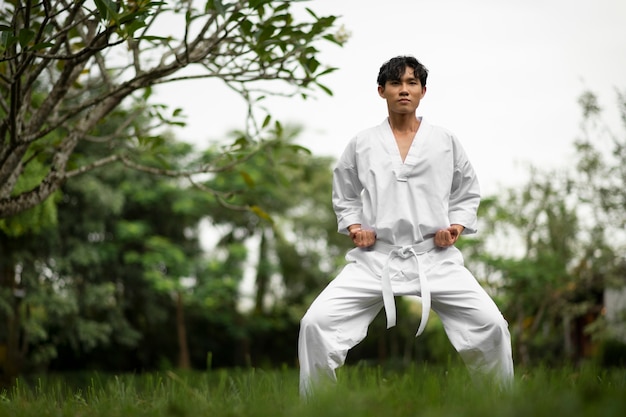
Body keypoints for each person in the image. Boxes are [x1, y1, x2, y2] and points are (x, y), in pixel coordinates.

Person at [298, 55, 514, 397]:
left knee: (492, 326)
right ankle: (317, 405)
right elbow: (345, 194)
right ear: (381, 90)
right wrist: (355, 228)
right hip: (374, 258)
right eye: (396, 83)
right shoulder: (362, 143)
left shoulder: (444, 141)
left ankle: (500, 404)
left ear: (423, 91)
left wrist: (455, 228)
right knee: (316, 324)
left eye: (412, 83)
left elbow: (467, 191)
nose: (404, 90)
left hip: (434, 256)